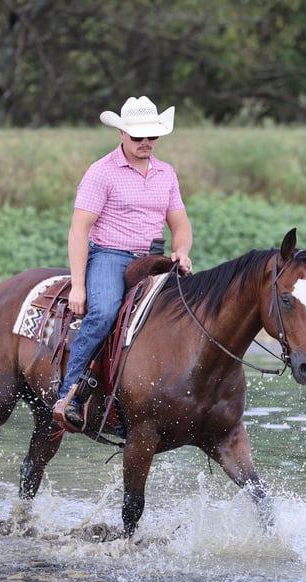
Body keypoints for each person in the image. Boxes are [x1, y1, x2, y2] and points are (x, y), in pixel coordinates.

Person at [53, 95, 193, 431]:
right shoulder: (101, 172)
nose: (146, 142)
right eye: (138, 136)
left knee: (190, 311)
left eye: (152, 136)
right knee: (103, 313)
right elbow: (79, 229)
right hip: (110, 255)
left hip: (154, 257)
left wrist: (181, 251)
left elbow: (180, 223)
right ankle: (70, 394)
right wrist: (78, 285)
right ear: (122, 134)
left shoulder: (166, 173)